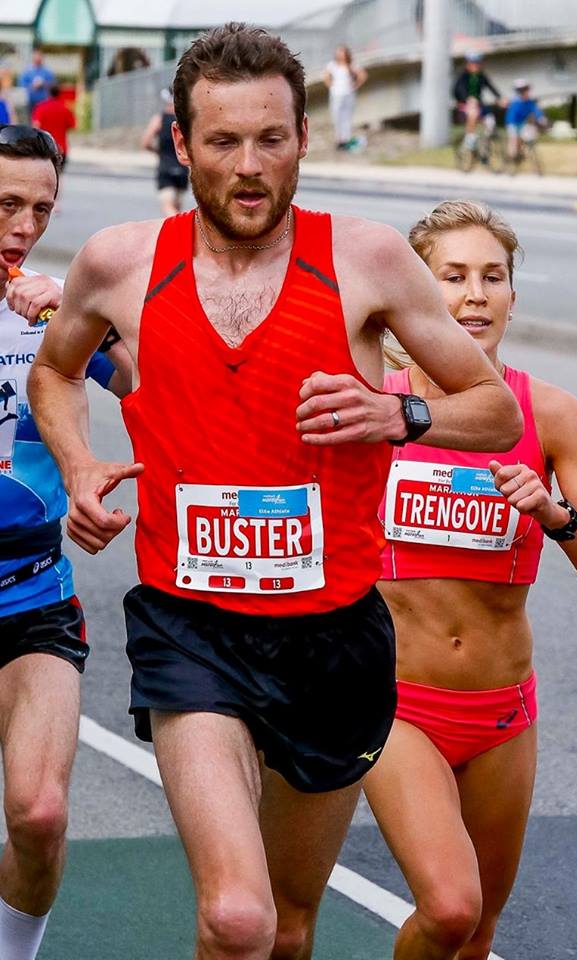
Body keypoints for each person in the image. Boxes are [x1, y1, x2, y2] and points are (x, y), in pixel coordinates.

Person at [28, 23, 522, 960]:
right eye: (222, 141)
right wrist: (80, 463)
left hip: (334, 637)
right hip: (191, 625)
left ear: (304, 136)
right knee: (237, 916)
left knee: (289, 929)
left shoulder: (367, 260)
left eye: (272, 139)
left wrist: (397, 416)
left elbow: (492, 411)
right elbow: (56, 373)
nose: (248, 167)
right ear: (181, 145)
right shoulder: (122, 262)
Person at [364, 199, 577, 960]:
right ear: (416, 291)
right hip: (395, 705)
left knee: (480, 932)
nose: (475, 295)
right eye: (451, 277)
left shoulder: (548, 413)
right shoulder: (374, 405)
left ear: (515, 294)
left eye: (493, 276)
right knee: (450, 907)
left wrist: (556, 516)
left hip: (501, 712)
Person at [0, 123, 128, 960]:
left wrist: (84, 323)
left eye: (41, 208)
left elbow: (158, 381)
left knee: (40, 813)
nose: (24, 225)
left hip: (33, 592)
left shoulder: (57, 306)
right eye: (6, 204)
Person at [140, 88, 190, 216]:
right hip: (182, 168)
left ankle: (180, 233)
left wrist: (158, 151)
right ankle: (181, 232)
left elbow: (145, 141)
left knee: (168, 207)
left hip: (166, 168)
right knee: (177, 208)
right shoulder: (186, 121)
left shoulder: (160, 119)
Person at [452, 53, 502, 151]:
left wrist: (499, 98)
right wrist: (467, 98)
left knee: (490, 120)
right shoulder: (463, 76)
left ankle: (486, 146)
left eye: (477, 63)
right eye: (473, 63)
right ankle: (469, 138)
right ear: (467, 64)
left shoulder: (481, 76)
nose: (476, 65)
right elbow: (458, 89)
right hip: (464, 105)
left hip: (479, 104)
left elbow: (491, 88)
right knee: (473, 113)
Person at [321, 45, 367, 151]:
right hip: (336, 93)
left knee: (347, 116)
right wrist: (331, 86)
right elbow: (325, 76)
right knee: (337, 115)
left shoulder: (351, 65)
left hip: (348, 93)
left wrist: (355, 85)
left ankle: (346, 139)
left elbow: (362, 75)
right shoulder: (333, 65)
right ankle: (339, 139)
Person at [504, 79, 547, 164]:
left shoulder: (529, 102)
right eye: (523, 90)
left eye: (526, 90)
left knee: (527, 135)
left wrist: (541, 118)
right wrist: (514, 127)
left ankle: (520, 152)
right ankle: (509, 158)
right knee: (514, 140)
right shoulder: (515, 102)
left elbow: (536, 111)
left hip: (522, 123)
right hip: (512, 123)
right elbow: (512, 115)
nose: (526, 92)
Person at [31, 85, 74, 170]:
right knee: (58, 175)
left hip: (44, 147)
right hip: (61, 148)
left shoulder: (41, 107)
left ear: (48, 93)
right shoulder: (65, 108)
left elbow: (35, 125)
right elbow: (72, 125)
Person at [18, 51, 54, 122]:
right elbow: (22, 85)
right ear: (33, 59)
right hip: (30, 100)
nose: (38, 60)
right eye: (36, 58)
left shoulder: (47, 71)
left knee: (42, 120)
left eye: (39, 58)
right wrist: (32, 86)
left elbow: (52, 85)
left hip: (43, 100)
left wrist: (43, 84)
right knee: (31, 119)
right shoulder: (27, 71)